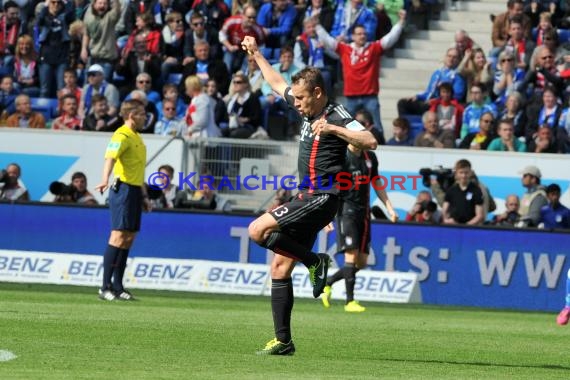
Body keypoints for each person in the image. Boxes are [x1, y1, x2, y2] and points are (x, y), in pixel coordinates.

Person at [241, 35, 377, 355]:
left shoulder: (336, 114)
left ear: (318, 93)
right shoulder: (307, 108)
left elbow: (370, 140)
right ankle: (284, 341)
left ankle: (316, 262)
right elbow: (276, 83)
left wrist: (335, 131)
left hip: (322, 195)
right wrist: (258, 53)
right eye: (297, 98)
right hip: (308, 197)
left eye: (302, 98)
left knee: (257, 230)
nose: (297, 103)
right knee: (279, 268)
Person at [321, 133, 398, 312]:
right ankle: (350, 302)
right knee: (351, 255)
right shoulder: (340, 158)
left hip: (364, 213)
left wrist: (389, 208)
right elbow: (327, 187)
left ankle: (328, 283)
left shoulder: (369, 157)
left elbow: (377, 183)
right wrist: (325, 216)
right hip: (345, 212)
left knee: (362, 262)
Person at [94, 99, 151, 301]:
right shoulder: (122, 134)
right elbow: (110, 157)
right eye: (142, 114)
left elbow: (139, 169)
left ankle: (118, 287)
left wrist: (144, 195)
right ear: (131, 115)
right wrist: (104, 179)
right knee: (117, 236)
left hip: (135, 190)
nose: (145, 118)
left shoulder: (137, 137)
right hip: (123, 189)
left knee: (128, 238)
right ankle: (104, 287)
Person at [442, 159, 484, 225]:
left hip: (469, 229)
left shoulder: (476, 190)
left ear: (470, 173)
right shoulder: (451, 190)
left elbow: (479, 215)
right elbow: (444, 210)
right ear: (456, 173)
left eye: (466, 172)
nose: (463, 176)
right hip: (453, 227)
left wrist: (466, 226)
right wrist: (446, 220)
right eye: (461, 172)